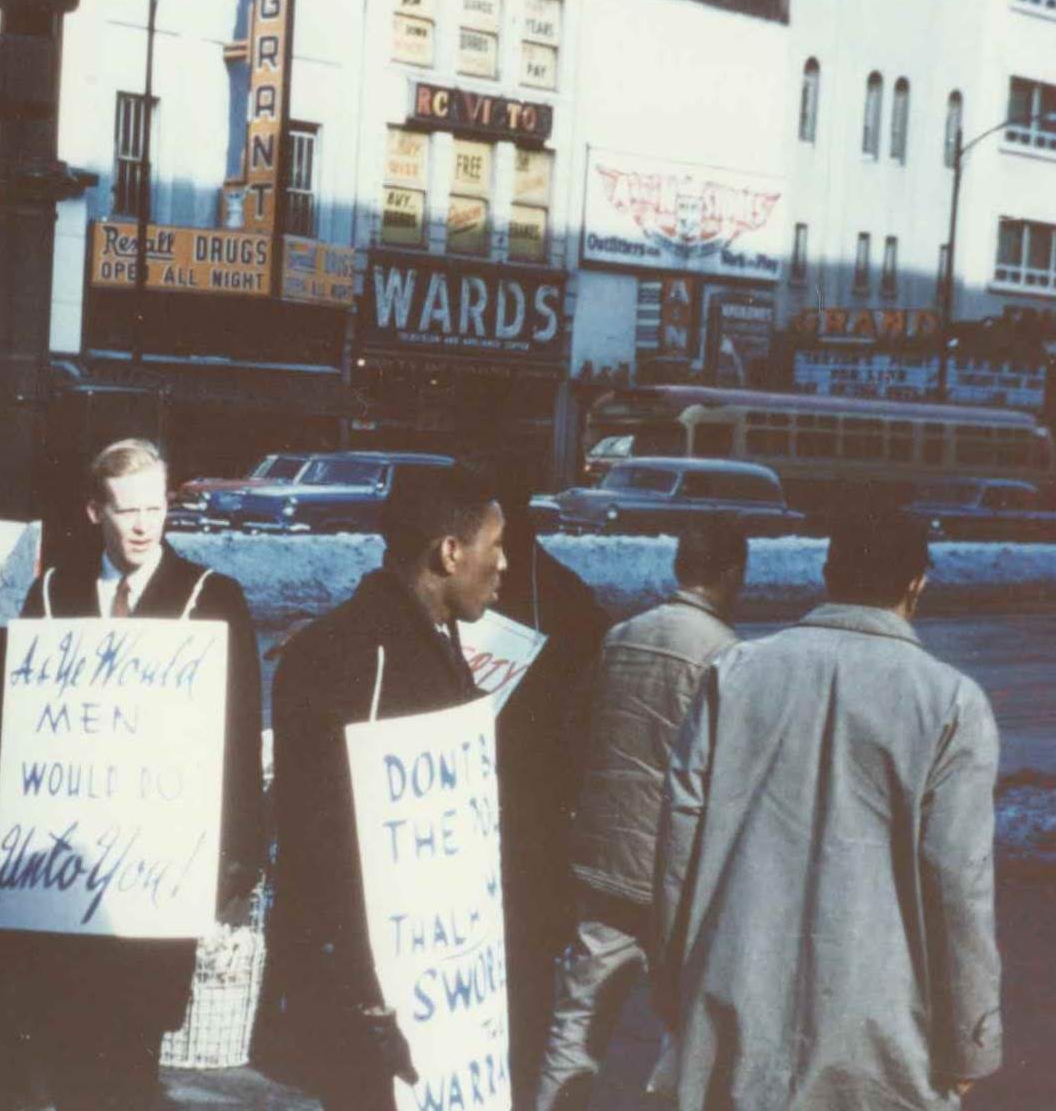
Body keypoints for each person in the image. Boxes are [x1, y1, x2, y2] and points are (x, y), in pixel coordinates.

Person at [654, 511, 1001, 1110]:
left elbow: (677, 846)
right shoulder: (950, 702)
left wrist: (675, 988)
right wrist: (970, 1040)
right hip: (881, 1037)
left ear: (827, 573)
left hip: (732, 1011)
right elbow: (957, 888)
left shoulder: (734, 673)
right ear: (917, 585)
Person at [15, 438, 263, 1110]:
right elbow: (21, 729)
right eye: (127, 510)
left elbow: (238, 733)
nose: (144, 526)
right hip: (66, 867)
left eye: (155, 507)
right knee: (65, 1039)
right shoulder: (51, 592)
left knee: (133, 1038)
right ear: (94, 510)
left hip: (160, 867)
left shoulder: (211, 597)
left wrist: (240, 857)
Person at [263, 464, 507, 1111]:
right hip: (374, 994)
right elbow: (325, 839)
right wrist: (367, 990)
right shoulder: (356, 657)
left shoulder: (430, 641)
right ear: (448, 553)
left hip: (424, 987)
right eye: (495, 544)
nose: (505, 562)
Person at [535, 521, 748, 1110]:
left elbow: (582, 729)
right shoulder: (727, 657)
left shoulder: (622, 636)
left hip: (603, 860)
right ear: (732, 574)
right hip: (676, 873)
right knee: (683, 1027)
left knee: (577, 1018)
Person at [486, 465, 611, 1109]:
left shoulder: (554, 594)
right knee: (528, 967)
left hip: (526, 804)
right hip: (535, 806)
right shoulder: (566, 592)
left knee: (521, 964)